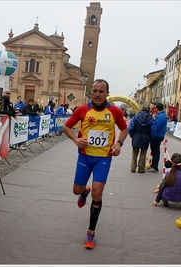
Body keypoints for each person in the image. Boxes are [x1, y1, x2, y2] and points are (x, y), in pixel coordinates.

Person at [62, 79, 128, 249]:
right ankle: (84, 192)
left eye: (101, 91)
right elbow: (67, 127)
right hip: (85, 157)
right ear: (91, 92)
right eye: (95, 91)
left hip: (103, 159)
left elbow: (124, 129)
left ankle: (91, 232)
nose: (98, 94)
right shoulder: (83, 110)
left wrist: (119, 144)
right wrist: (76, 140)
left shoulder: (114, 111)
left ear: (107, 94)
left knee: (97, 193)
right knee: (76, 190)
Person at [128, 105, 155, 173]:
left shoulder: (136, 117)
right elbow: (153, 131)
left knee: (134, 152)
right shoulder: (150, 119)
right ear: (149, 111)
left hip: (136, 136)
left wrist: (132, 136)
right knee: (143, 153)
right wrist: (150, 138)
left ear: (141, 109)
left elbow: (131, 128)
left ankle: (133, 168)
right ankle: (141, 168)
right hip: (146, 137)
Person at [146, 103, 167, 173]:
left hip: (157, 135)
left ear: (157, 108)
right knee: (155, 151)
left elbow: (156, 126)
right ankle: (153, 165)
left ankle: (155, 167)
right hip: (159, 135)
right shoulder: (162, 115)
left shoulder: (161, 116)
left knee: (155, 151)